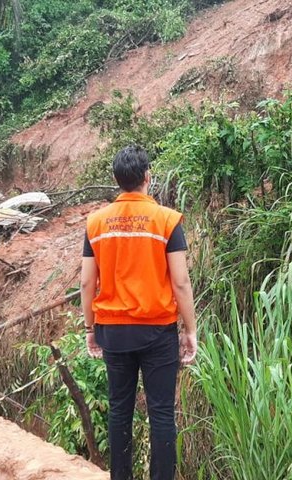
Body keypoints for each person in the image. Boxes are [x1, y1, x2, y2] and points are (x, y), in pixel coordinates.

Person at [80, 145, 198, 480]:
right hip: (157, 330)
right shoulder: (166, 220)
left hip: (113, 330)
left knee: (120, 409)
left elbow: (88, 283)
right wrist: (190, 330)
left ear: (117, 181)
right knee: (161, 413)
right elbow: (180, 281)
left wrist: (90, 327)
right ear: (148, 177)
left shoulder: (96, 223)